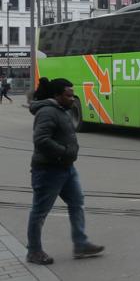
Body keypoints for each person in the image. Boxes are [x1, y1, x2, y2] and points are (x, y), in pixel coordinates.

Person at [27, 78, 104, 265]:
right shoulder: (47, 112)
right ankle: (34, 251)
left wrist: (67, 156)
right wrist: (63, 153)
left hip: (66, 169)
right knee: (40, 212)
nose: (72, 98)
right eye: (68, 95)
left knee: (77, 203)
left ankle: (81, 244)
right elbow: (41, 140)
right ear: (56, 96)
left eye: (72, 94)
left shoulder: (61, 110)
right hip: (48, 170)